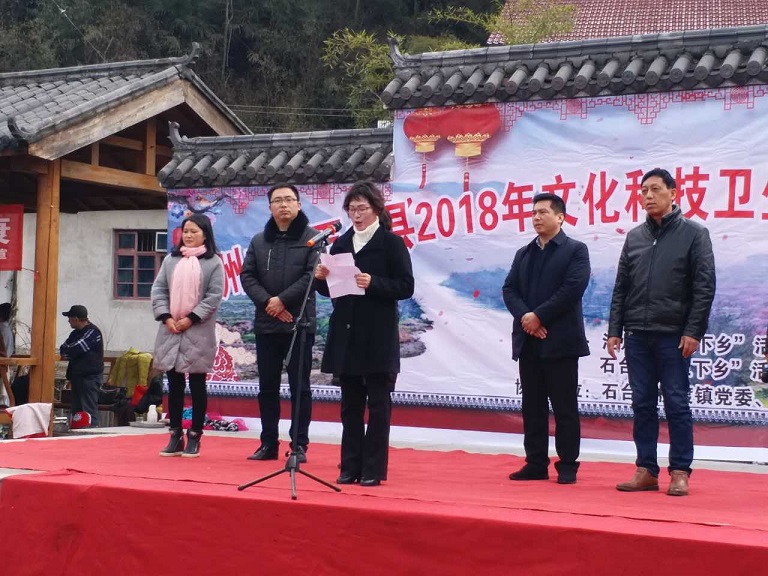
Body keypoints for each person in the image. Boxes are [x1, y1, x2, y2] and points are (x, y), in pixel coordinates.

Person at [608, 168, 716, 497]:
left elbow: (704, 287)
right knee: (641, 404)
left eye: (655, 189)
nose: (648, 196)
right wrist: (615, 330)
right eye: (644, 191)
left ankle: (680, 471)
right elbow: (621, 287)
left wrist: (693, 331)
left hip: (673, 336)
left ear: (673, 193)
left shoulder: (694, 234)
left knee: (676, 404)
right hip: (637, 335)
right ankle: (646, 470)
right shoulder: (635, 237)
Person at [315, 181, 414, 487]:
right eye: (352, 209)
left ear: (377, 209)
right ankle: (349, 466)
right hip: (347, 332)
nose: (356, 215)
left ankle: (373, 469)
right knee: (350, 406)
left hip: (378, 334)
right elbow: (330, 291)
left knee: (378, 405)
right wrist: (321, 278)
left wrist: (374, 282)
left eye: (362, 208)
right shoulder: (341, 244)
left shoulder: (391, 243)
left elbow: (406, 286)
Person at [502, 193, 591, 485]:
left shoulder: (575, 250)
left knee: (564, 407)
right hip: (529, 341)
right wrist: (527, 318)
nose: (536, 217)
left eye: (543, 212)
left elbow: (572, 289)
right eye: (534, 213)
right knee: (533, 406)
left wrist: (539, 316)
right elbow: (509, 289)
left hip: (561, 342)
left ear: (560, 217)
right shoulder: (524, 253)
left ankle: (567, 464)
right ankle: (536, 462)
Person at [240, 183, 318, 463]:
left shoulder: (313, 238)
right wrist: (269, 304)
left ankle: (299, 445)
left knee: (300, 388)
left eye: (289, 200)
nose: (283, 205)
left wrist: (283, 301)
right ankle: (268, 443)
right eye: (278, 201)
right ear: (270, 207)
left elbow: (312, 275)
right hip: (267, 323)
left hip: (300, 324)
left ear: (298, 204)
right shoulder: (259, 241)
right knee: (267, 388)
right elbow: (247, 276)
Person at [151, 214, 224, 458]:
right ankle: (175, 435)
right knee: (174, 384)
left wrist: (190, 318)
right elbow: (159, 290)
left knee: (197, 384)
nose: (189, 235)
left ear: (205, 234)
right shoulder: (171, 260)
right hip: (171, 329)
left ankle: (194, 436)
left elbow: (213, 296)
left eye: (194, 231)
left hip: (198, 330)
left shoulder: (213, 262)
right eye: (186, 231)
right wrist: (167, 317)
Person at [60, 305, 104, 428]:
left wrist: (70, 352)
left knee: (88, 410)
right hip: (77, 376)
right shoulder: (75, 333)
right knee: (77, 411)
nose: (68, 321)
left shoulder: (93, 332)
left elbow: (76, 349)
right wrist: (70, 352)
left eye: (69, 318)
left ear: (76, 319)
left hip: (89, 377)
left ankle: (92, 432)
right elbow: (63, 349)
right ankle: (76, 432)